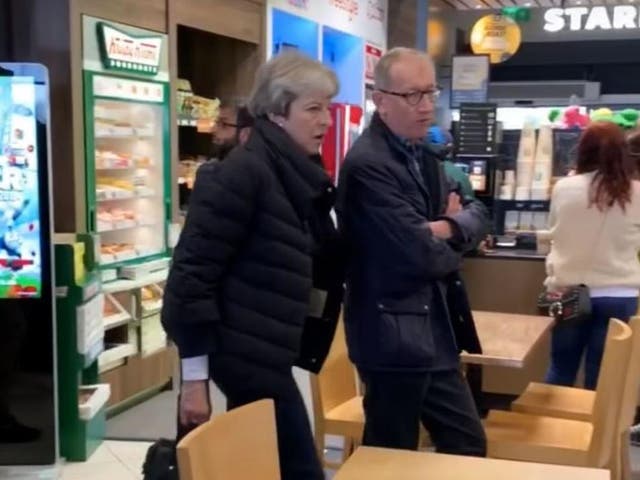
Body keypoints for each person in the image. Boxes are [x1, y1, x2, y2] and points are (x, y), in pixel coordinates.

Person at [162, 51, 343, 480]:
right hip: (243, 357)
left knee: (257, 466)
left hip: (267, 353)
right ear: (277, 115)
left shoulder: (293, 175)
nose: (326, 121)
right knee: (299, 468)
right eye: (313, 109)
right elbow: (189, 282)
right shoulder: (242, 175)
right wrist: (193, 383)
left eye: (328, 108)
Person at [336, 47, 488, 456]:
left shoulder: (422, 154)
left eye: (431, 93)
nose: (426, 107)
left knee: (467, 444)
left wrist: (445, 227)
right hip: (391, 335)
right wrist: (447, 236)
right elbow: (421, 256)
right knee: (392, 453)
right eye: (412, 96)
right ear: (380, 100)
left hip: (433, 328)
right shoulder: (369, 164)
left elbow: (478, 212)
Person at [544, 122, 640, 390]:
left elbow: (554, 231)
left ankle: (552, 430)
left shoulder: (564, 188)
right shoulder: (637, 193)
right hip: (619, 295)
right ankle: (595, 432)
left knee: (560, 368)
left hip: (566, 291)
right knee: (603, 377)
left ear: (583, 150)